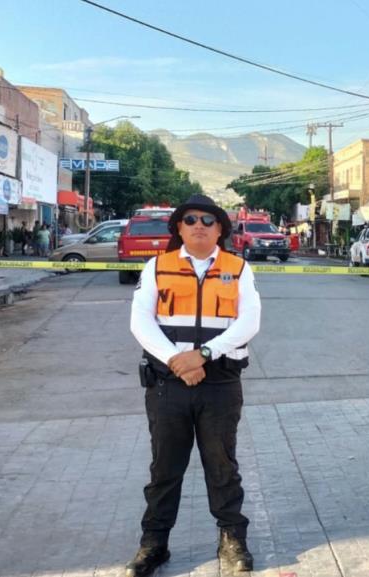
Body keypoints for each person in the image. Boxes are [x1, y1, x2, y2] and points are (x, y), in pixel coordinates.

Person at [127, 194, 261, 577]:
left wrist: (202, 354)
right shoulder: (157, 266)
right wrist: (176, 361)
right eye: (190, 219)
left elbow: (248, 322)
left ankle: (232, 540)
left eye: (208, 219)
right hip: (168, 384)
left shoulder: (239, 268)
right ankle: (153, 544)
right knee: (165, 468)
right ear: (178, 228)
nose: (199, 225)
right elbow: (141, 322)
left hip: (219, 383)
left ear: (220, 229)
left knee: (222, 466)